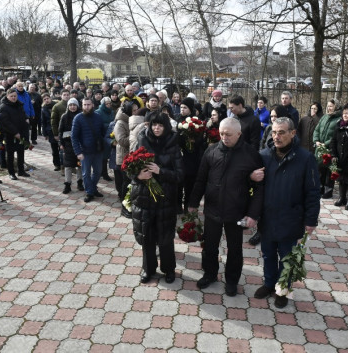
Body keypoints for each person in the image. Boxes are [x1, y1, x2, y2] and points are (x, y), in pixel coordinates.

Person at [188, 118, 264, 297]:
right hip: (212, 209)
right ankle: (210, 274)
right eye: (221, 133)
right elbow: (200, 180)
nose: (224, 137)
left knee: (235, 249)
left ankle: (231, 281)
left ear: (239, 134)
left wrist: (253, 214)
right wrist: (192, 203)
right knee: (209, 246)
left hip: (237, 211)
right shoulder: (211, 151)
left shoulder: (251, 154)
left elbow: (260, 187)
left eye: (228, 134)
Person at [254, 117, 320, 308]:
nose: (277, 136)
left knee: (286, 256)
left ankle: (283, 288)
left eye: (282, 132)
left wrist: (311, 220)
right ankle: (269, 283)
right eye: (274, 132)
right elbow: (254, 187)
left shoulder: (305, 158)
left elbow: (313, 192)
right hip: (267, 216)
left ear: (293, 133)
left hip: (291, 217)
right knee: (267, 254)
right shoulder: (264, 156)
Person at [131, 112, 184, 284]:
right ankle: (148, 269)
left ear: (166, 126)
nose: (157, 128)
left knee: (165, 238)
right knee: (147, 236)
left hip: (165, 199)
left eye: (160, 125)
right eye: (154, 125)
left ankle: (169, 269)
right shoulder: (142, 141)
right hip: (145, 197)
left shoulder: (173, 144)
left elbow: (180, 175)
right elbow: (130, 168)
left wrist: (161, 171)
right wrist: (139, 176)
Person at [71, 97, 106, 203]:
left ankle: (92, 188)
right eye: (84, 105)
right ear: (82, 106)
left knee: (98, 172)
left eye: (88, 104)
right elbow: (74, 137)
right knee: (86, 173)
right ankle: (89, 192)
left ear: (93, 105)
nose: (86, 107)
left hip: (98, 150)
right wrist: (78, 152)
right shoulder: (78, 118)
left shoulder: (98, 117)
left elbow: (102, 132)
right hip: (85, 151)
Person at [0, 88, 31, 180]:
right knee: (10, 154)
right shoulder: (3, 107)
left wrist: (26, 118)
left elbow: (23, 114)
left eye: (15, 96)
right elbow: (5, 122)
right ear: (7, 96)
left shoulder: (19, 105)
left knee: (21, 152)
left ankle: (21, 171)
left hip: (21, 133)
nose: (13, 98)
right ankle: (11, 172)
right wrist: (15, 132)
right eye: (11, 96)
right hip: (10, 135)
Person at [313, 98, 342, 199]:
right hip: (320, 148)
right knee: (320, 169)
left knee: (329, 171)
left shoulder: (339, 119)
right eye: (328, 106)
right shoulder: (324, 117)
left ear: (336, 107)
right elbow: (317, 130)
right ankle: (320, 189)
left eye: (331, 106)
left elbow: (336, 135)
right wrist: (316, 141)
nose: (329, 108)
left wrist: (325, 144)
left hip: (330, 149)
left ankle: (328, 191)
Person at [114, 101, 138, 217]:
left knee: (131, 183)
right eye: (134, 110)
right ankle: (124, 208)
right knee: (126, 183)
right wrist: (134, 135)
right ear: (128, 110)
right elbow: (122, 141)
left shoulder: (134, 120)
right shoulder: (120, 123)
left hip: (132, 156)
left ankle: (130, 204)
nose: (136, 112)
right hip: (123, 157)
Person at [59, 98, 83, 194]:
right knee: (68, 166)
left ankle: (80, 182)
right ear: (68, 106)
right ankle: (67, 184)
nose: (72, 107)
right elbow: (61, 131)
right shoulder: (64, 117)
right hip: (68, 145)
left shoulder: (81, 116)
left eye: (74, 105)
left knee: (80, 165)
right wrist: (61, 143)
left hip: (79, 144)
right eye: (70, 105)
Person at [95, 96, 115, 181]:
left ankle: (102, 172)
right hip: (101, 136)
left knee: (107, 156)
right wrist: (109, 125)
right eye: (107, 103)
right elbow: (97, 125)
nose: (109, 105)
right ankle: (103, 173)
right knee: (102, 156)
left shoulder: (111, 112)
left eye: (110, 103)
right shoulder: (98, 112)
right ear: (103, 104)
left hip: (109, 136)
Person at [41, 92, 61, 171]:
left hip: (58, 128)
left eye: (47, 98)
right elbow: (43, 121)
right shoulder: (43, 109)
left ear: (50, 98)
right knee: (54, 149)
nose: (46, 100)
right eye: (44, 99)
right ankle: (56, 164)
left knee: (62, 148)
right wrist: (44, 133)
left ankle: (64, 164)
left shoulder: (56, 106)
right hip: (50, 130)